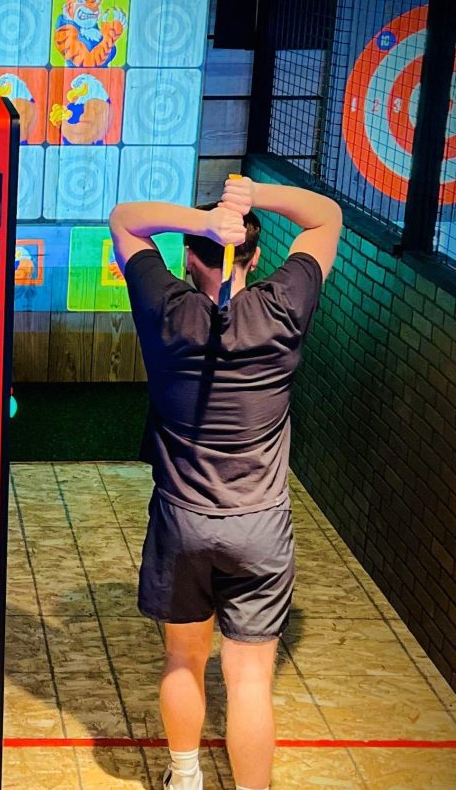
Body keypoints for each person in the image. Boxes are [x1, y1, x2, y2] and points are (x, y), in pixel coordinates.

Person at [108, 175, 341, 790]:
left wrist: (205, 221)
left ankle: (184, 776)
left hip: (183, 519)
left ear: (188, 256)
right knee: (249, 680)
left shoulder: (166, 309)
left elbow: (126, 219)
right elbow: (326, 218)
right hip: (260, 525)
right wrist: (254, 199)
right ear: (258, 256)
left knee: (184, 658)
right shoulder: (282, 308)